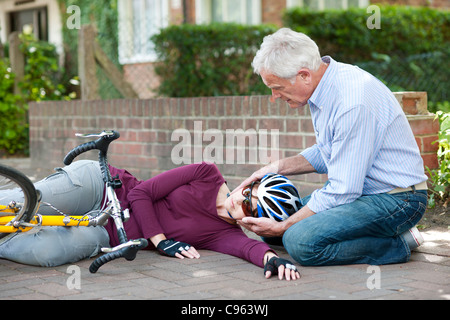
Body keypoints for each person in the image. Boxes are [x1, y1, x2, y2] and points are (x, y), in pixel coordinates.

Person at [234, 28, 429, 266]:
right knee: (270, 226)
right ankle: (368, 232)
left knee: (300, 242)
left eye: (278, 88)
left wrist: (285, 226)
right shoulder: (324, 87)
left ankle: (398, 243)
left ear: (304, 75)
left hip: (398, 200)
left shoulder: (352, 101)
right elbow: (327, 152)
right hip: (363, 195)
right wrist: (275, 168)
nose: (274, 96)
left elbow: (342, 190)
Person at [0, 160, 300, 281]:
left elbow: (246, 250)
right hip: (104, 186)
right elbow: (142, 193)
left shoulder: (222, 234)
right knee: (22, 201)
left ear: (256, 221)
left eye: (250, 205)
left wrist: (272, 259)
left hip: (110, 234)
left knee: (46, 253)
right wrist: (161, 241)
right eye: (248, 190)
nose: (239, 198)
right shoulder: (206, 174)